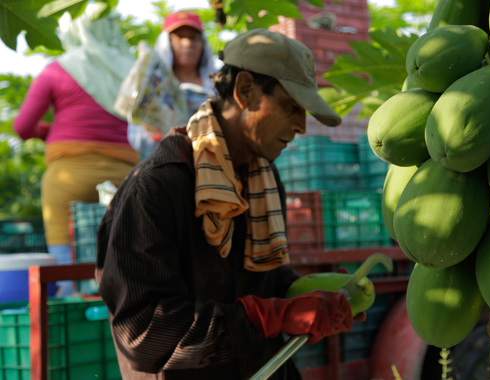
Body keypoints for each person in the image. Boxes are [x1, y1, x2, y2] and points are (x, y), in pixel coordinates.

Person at [95, 29, 355, 379]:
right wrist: (271, 316)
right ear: (245, 89)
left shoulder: (263, 178)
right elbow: (144, 334)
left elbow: (262, 279)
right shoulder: (155, 188)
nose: (300, 127)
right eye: (291, 107)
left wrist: (309, 294)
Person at [13, 6, 138, 296]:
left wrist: (48, 132)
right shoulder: (130, 70)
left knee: (66, 261)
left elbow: (22, 125)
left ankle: (71, 300)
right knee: (126, 256)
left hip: (69, 175)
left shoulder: (58, 70)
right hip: (125, 177)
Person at [127, 10, 217, 156]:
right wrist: (152, 133)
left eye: (193, 38)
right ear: (167, 42)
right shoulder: (152, 86)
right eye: (180, 37)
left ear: (202, 43)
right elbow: (134, 134)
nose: (187, 43)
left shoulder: (216, 85)